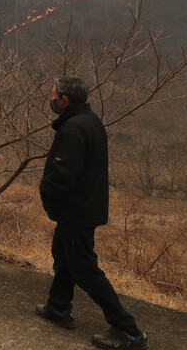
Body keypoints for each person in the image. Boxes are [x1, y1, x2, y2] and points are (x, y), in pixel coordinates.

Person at [35, 76, 149, 350]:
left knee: (85, 269)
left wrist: (46, 191)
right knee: (63, 255)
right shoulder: (90, 120)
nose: (50, 99)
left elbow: (64, 174)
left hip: (76, 211)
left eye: (53, 95)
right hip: (82, 207)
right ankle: (58, 306)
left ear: (65, 100)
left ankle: (127, 330)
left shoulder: (74, 128)